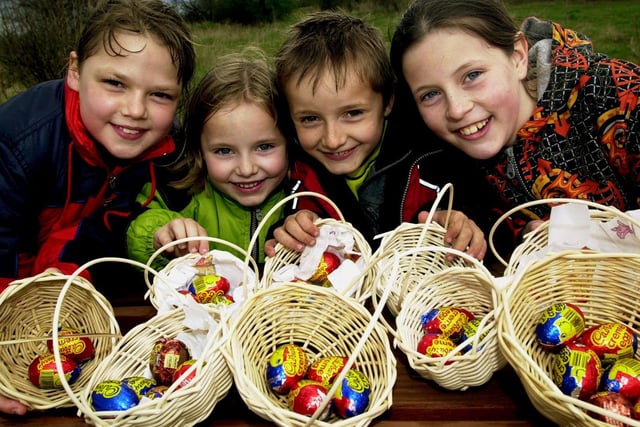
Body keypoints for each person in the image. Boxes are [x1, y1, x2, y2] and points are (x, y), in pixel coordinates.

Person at [0, 0, 195, 414]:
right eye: (115, 84)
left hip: (83, 325)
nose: (136, 110)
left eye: (160, 94)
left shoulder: (168, 150)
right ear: (74, 71)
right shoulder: (18, 143)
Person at [390, 0, 640, 243]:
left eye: (472, 75)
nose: (456, 109)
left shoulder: (616, 95)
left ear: (518, 57)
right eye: (430, 95)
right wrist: (517, 239)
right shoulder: (439, 157)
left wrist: (596, 237)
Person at [266, 10, 488, 261]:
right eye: (310, 119)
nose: (333, 139)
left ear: (387, 102)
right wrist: (293, 228)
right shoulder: (300, 174)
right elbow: (290, 226)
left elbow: (484, 217)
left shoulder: (432, 157)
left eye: (352, 113)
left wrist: (459, 221)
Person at [127, 50, 289, 270]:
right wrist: (160, 236)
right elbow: (140, 228)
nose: (246, 169)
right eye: (224, 151)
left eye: (264, 147)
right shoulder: (181, 194)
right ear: (199, 149)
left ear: (290, 142)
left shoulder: (301, 197)